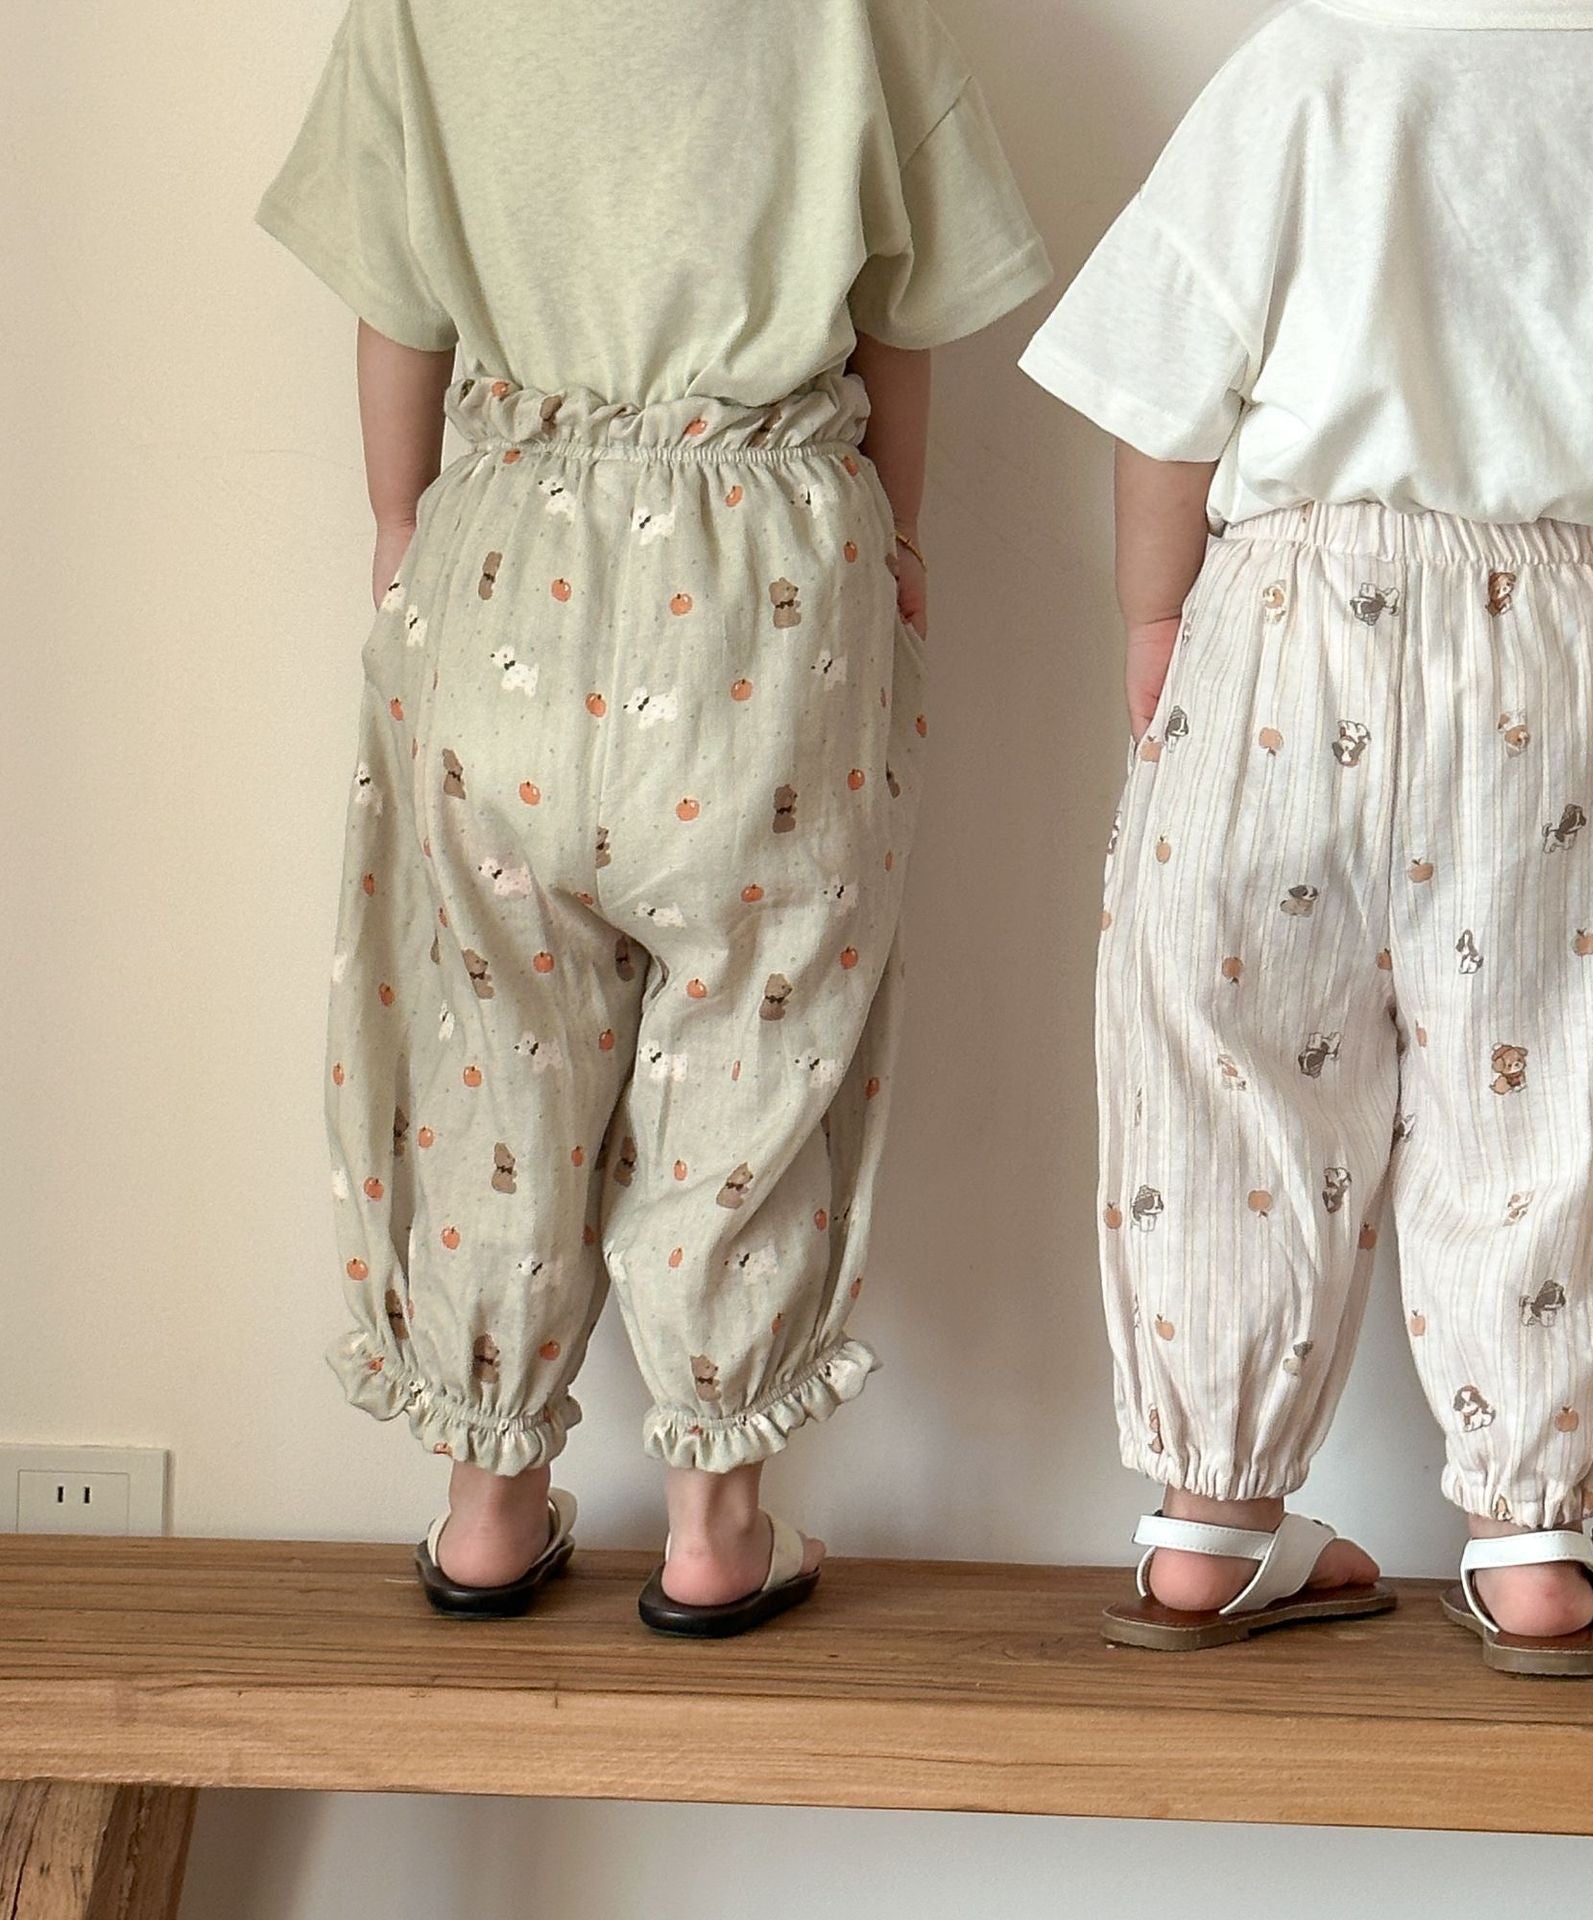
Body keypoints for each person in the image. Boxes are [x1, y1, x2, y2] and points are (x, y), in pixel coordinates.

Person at [1020, 0, 1593, 1675]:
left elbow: (1163, 396)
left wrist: (1155, 616)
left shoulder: (1304, 66)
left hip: (1278, 625)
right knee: (1564, 1093)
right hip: (1575, 644)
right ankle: (1534, 1540)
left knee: (1223, 1070)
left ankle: (1207, 1519)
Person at [259, 0, 1048, 1634]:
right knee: (757, 1035)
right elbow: (905, 304)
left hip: (501, 556)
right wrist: (899, 533)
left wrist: (402, 523)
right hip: (769, 576)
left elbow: (393, 303)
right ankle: (714, 1527)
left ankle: (485, 1503)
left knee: (487, 1046)